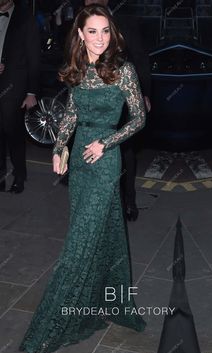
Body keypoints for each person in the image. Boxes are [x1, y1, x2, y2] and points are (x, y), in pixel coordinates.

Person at [19, 5, 146, 353]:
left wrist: (105, 142)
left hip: (105, 159)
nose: (100, 38)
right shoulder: (76, 70)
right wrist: (60, 146)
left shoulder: (123, 71)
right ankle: (100, 301)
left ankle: (50, 325)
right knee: (97, 232)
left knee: (78, 243)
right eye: (93, 31)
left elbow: (138, 119)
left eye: (106, 31)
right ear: (80, 34)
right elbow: (72, 113)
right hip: (79, 163)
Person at [84, 0, 151, 221]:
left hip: (120, 98)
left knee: (124, 151)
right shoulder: (79, 21)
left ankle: (128, 201)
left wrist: (144, 94)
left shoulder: (126, 21)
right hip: (90, 99)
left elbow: (140, 58)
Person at [0, 0, 40, 193]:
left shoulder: (25, 17)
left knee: (12, 131)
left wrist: (31, 92)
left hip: (14, 86)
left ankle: (19, 176)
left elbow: (34, 57)